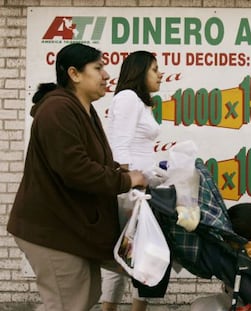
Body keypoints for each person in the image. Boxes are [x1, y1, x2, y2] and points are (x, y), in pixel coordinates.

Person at [7, 43, 148, 311]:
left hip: (67, 227)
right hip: (52, 231)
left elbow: (92, 163)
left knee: (82, 295)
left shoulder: (81, 110)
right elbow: (77, 170)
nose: (106, 75)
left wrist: (121, 172)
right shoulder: (57, 111)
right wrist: (128, 180)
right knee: (69, 303)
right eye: (98, 68)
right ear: (74, 74)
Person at [101, 51, 168, 311]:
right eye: (154, 69)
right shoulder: (128, 98)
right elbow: (120, 146)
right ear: (139, 73)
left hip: (140, 188)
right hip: (132, 191)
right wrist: (130, 183)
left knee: (131, 252)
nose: (160, 73)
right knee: (135, 253)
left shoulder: (139, 102)